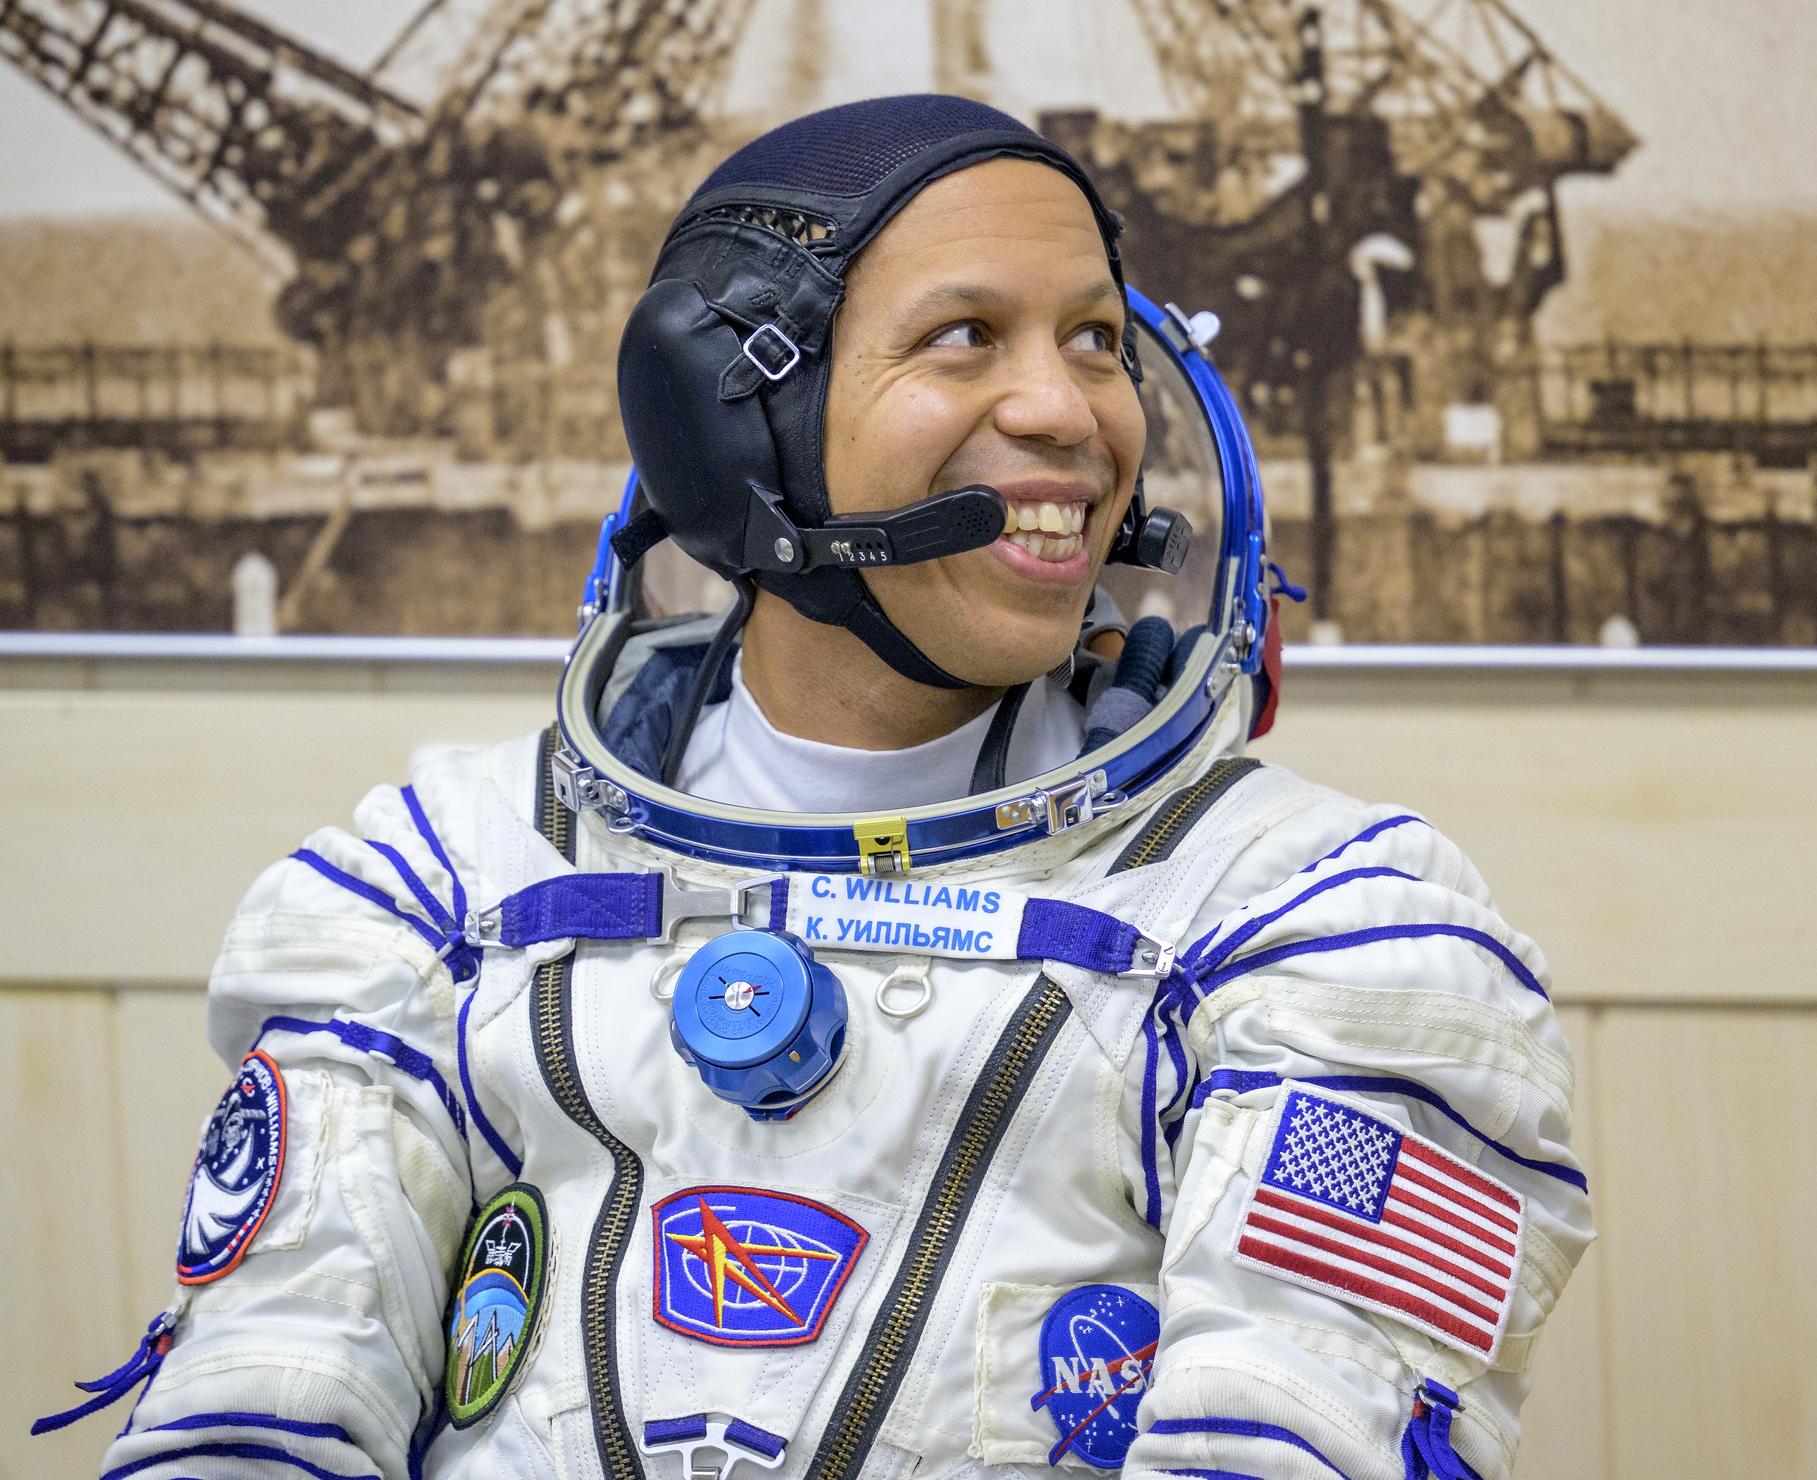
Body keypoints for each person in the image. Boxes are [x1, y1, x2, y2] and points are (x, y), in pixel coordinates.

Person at [40, 96, 1591, 1479]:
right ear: (737, 425)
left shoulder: (1323, 935)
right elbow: (256, 1416)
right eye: (965, 336)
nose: (1068, 412)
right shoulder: (435, 896)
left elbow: (1296, 1444)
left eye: (1100, 338)